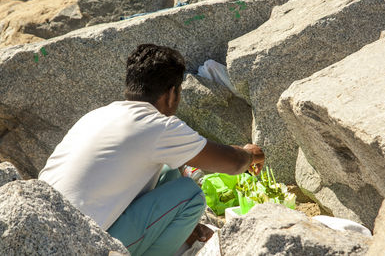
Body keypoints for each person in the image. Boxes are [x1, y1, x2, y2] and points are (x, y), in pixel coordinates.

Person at [38, 44, 265, 255]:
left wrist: (182, 225)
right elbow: (233, 163)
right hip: (87, 247)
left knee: (169, 170)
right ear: (172, 94)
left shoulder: (95, 116)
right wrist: (250, 154)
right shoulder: (157, 126)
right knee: (190, 195)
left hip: (42, 234)